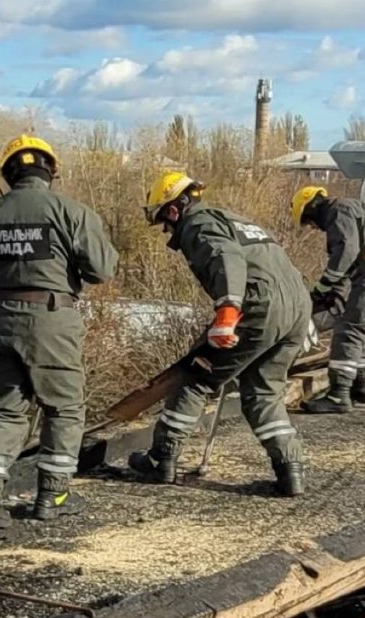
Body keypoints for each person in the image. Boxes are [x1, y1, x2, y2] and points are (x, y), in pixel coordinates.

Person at [0, 134, 119, 527]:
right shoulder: (70, 211)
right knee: (63, 407)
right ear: (51, 170)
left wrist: (4, 304)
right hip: (52, 319)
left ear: (7, 173)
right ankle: (52, 496)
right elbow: (102, 270)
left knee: (3, 411)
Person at [127, 172, 309, 496]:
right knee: (264, 392)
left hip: (255, 308)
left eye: (164, 223)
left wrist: (228, 308)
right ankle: (290, 469)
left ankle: (162, 458)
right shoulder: (237, 221)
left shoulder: (198, 223)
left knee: (196, 375)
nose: (167, 231)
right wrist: (297, 316)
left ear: (172, 210)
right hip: (295, 309)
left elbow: (226, 258)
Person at [289, 186, 365, 414]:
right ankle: (360, 388)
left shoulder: (338, 210)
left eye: (308, 221)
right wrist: (333, 292)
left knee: (349, 330)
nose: (312, 227)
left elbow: (346, 253)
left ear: (312, 206)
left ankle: (338, 395)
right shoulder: (347, 210)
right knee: (358, 329)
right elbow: (347, 263)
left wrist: (322, 287)